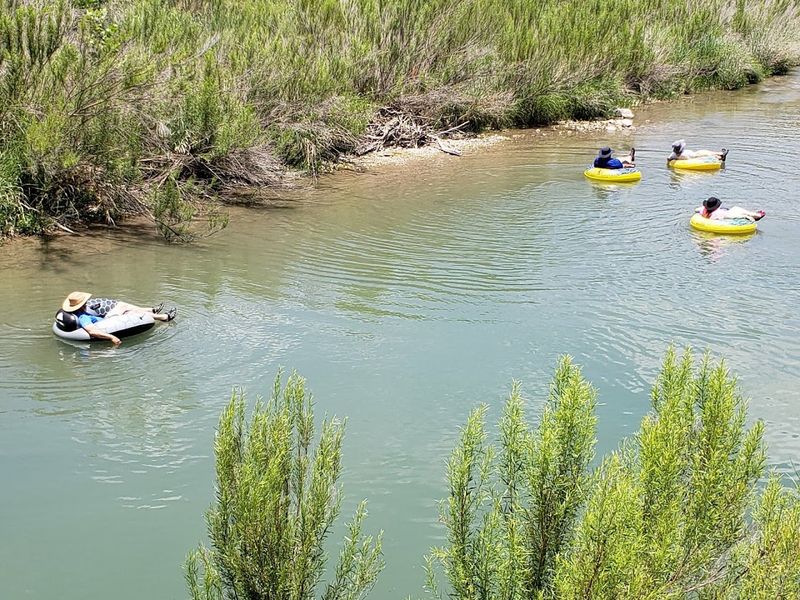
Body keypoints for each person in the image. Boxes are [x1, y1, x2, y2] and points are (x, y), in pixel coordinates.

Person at [61, 291, 176, 346]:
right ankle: (163, 317)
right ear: (82, 304)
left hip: (104, 320)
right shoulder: (83, 317)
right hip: (107, 324)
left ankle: (151, 310)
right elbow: (92, 331)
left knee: (122, 306)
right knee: (129, 311)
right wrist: (112, 338)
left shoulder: (78, 312)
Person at [695, 197, 765, 221]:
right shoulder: (718, 213)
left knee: (732, 209)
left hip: (710, 219)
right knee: (736, 209)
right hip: (725, 217)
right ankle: (757, 215)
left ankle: (755, 215)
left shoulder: (702, 210)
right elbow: (733, 216)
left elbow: (696, 210)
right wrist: (746, 217)